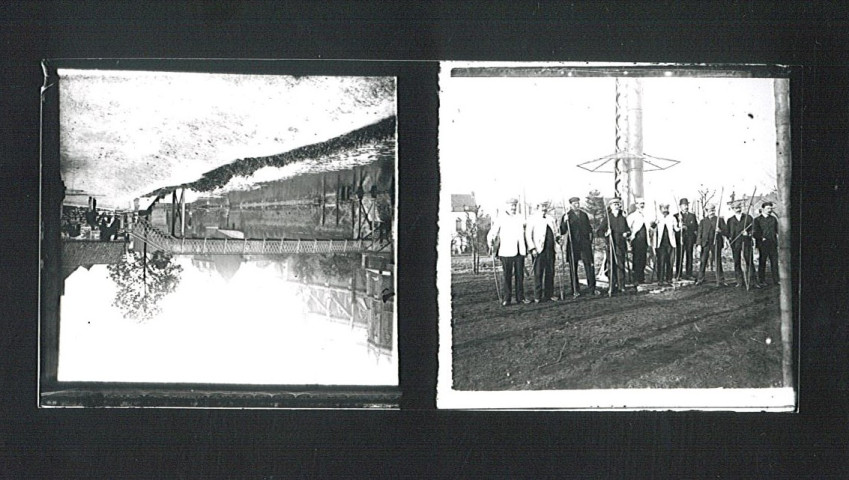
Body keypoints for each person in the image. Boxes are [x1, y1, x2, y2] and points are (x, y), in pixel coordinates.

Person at [488, 198, 530, 306]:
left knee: (520, 276)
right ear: (506, 206)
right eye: (511, 205)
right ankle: (507, 298)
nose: (513, 208)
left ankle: (520, 297)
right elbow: (492, 232)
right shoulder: (500, 218)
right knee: (507, 276)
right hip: (506, 251)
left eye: (515, 205)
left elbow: (527, 230)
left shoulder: (520, 217)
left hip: (519, 251)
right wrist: (491, 240)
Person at [561, 196, 598, 296]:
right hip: (573, 245)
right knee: (573, 268)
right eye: (574, 204)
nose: (577, 205)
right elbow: (562, 230)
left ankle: (592, 288)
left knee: (589, 266)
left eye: (578, 203)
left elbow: (589, 229)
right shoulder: (567, 216)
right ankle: (575, 290)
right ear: (571, 205)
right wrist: (565, 221)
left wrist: (591, 239)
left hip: (585, 245)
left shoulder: (584, 215)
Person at [526, 201, 559, 302]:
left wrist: (558, 238)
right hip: (539, 250)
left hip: (550, 250)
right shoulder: (532, 219)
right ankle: (537, 296)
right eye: (542, 206)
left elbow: (556, 232)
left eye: (545, 206)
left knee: (550, 272)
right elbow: (528, 235)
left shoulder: (551, 219)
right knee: (538, 273)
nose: (544, 208)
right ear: (537, 207)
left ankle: (549, 294)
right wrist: (532, 248)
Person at [596, 197, 630, 294]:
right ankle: (612, 285)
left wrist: (626, 233)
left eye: (618, 205)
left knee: (621, 265)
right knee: (611, 266)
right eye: (615, 205)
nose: (617, 206)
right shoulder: (608, 218)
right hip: (611, 245)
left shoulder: (622, 218)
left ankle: (621, 286)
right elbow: (599, 231)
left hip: (621, 245)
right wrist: (607, 233)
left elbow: (628, 230)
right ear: (611, 206)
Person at [726, 200, 757, 288]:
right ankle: (739, 281)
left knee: (749, 261)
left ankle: (753, 281)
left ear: (741, 208)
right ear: (733, 209)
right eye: (735, 208)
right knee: (737, 262)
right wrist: (728, 239)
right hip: (735, 244)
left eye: (739, 207)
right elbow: (728, 232)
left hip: (746, 242)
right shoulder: (730, 220)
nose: (738, 209)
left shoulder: (748, 217)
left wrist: (748, 234)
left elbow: (754, 229)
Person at [696, 204, 728, 286]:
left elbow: (726, 232)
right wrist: (698, 244)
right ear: (706, 211)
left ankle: (720, 280)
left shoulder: (719, 220)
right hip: (705, 244)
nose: (712, 211)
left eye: (713, 209)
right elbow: (699, 233)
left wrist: (720, 230)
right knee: (703, 261)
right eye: (710, 210)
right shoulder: (703, 221)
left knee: (717, 261)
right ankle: (700, 279)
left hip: (716, 243)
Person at [753, 201, 780, 287]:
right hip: (762, 244)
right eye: (768, 208)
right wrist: (761, 237)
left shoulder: (773, 219)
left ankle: (776, 280)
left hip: (772, 243)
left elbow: (778, 231)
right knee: (762, 262)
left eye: (771, 208)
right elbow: (754, 233)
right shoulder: (757, 220)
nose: (770, 210)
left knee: (774, 262)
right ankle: (761, 280)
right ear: (763, 209)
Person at [653, 203, 679, 286]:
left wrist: (681, 227)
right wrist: (654, 223)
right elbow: (651, 228)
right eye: (663, 208)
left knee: (670, 261)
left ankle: (669, 278)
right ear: (660, 209)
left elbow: (676, 229)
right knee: (661, 261)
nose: (665, 210)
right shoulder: (657, 218)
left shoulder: (672, 218)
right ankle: (660, 279)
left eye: (666, 208)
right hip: (660, 244)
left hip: (670, 243)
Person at [626, 197, 649, 284]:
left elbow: (649, 227)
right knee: (637, 259)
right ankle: (635, 278)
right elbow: (627, 227)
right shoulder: (632, 216)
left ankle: (641, 278)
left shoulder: (646, 215)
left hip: (645, 241)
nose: (642, 205)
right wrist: (629, 238)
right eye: (640, 204)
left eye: (643, 203)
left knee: (643, 259)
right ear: (636, 205)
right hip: (636, 240)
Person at [674, 198, 698, 279]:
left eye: (687, 205)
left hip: (689, 239)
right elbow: (674, 228)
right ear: (680, 206)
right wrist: (680, 225)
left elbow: (695, 227)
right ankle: (678, 274)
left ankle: (689, 274)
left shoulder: (692, 216)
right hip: (680, 239)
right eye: (684, 205)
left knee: (689, 256)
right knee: (679, 256)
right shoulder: (676, 216)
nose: (686, 206)